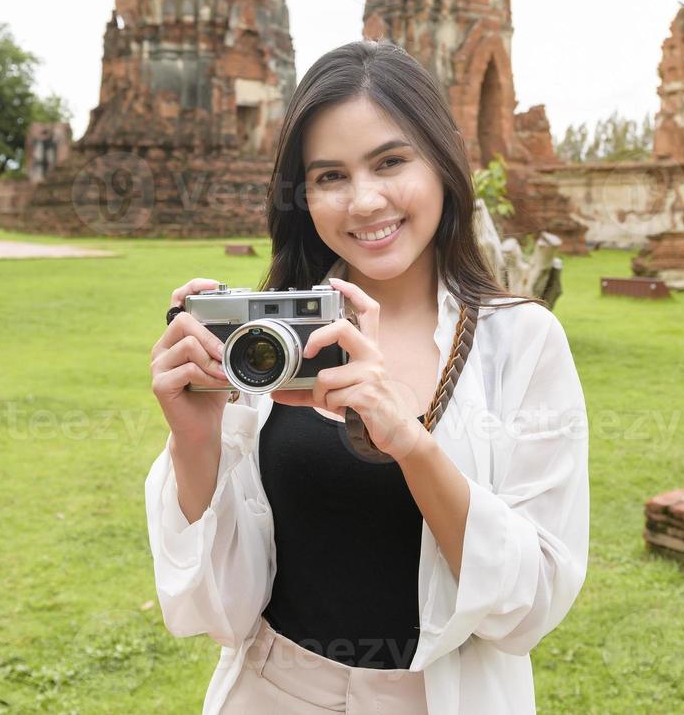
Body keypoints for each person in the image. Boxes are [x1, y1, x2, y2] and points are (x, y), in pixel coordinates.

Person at [145, 40, 589, 714]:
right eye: (329, 177)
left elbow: (530, 605)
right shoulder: (269, 344)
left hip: (440, 696)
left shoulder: (519, 342)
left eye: (389, 162)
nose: (364, 201)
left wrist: (410, 445)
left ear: (441, 161)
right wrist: (195, 442)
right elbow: (214, 609)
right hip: (273, 691)